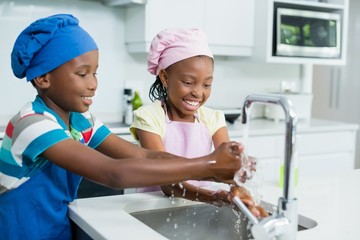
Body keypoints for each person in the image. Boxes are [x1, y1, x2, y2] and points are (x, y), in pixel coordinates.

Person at [0, 14, 245, 240]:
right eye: (82, 74)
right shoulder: (33, 123)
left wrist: (214, 177)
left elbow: (146, 155)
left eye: (95, 73)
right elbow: (113, 173)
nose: (93, 84)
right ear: (43, 78)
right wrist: (209, 166)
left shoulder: (80, 121)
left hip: (57, 230)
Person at [130, 28, 260, 210]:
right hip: (152, 208)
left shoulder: (213, 119)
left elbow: (230, 168)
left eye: (207, 84)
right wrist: (214, 196)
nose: (198, 93)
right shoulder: (148, 118)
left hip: (198, 207)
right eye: (188, 82)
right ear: (165, 78)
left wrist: (240, 181)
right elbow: (167, 181)